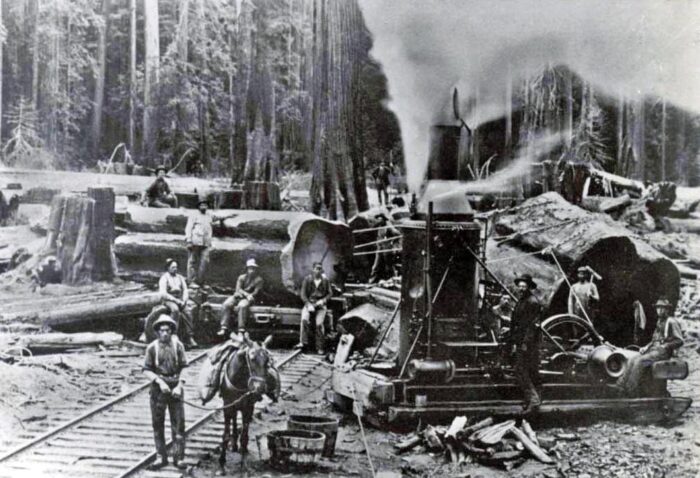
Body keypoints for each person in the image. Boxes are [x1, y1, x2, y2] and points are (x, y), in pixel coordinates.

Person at [143, 315, 188, 470]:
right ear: (157, 332)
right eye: (161, 330)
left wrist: (179, 386)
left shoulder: (178, 346)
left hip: (175, 387)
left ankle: (179, 457)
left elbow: (184, 367)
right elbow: (146, 370)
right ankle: (161, 456)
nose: (165, 333)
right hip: (158, 390)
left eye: (167, 330)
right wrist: (160, 382)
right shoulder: (152, 348)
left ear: (172, 331)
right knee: (158, 424)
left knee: (179, 424)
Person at [618, 298, 684, 396]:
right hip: (653, 351)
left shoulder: (671, 322)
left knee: (641, 362)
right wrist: (646, 347)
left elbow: (679, 340)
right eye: (658, 308)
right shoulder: (659, 321)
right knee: (632, 359)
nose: (660, 311)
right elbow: (654, 340)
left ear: (667, 310)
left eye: (662, 308)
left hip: (662, 354)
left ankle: (632, 392)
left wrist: (666, 346)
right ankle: (622, 386)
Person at [509, 274, 542, 413]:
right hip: (521, 339)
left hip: (529, 342)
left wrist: (525, 343)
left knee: (521, 369)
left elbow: (532, 326)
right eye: (520, 286)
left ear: (528, 287)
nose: (521, 288)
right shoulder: (522, 300)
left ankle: (534, 400)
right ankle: (530, 400)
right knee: (525, 370)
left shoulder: (532, 302)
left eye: (524, 286)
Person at [217, 259, 264, 337]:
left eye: (253, 268)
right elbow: (238, 289)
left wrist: (248, 296)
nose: (251, 270)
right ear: (247, 269)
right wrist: (245, 294)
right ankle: (224, 327)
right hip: (239, 296)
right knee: (226, 304)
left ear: (256, 270)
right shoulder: (241, 277)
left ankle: (241, 330)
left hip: (249, 298)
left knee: (242, 306)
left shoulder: (259, 280)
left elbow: (256, 292)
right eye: (250, 268)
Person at [296, 262, 333, 354]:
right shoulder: (307, 279)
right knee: (304, 320)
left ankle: (320, 347)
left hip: (321, 306)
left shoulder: (325, 280)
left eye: (320, 269)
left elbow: (330, 293)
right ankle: (303, 343)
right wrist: (308, 305)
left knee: (319, 324)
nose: (318, 271)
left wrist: (323, 300)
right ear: (313, 269)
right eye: (316, 268)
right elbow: (303, 294)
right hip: (310, 304)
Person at [158, 259, 197, 348]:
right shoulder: (164, 278)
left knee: (188, 311)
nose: (175, 269)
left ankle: (190, 336)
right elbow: (163, 293)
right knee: (175, 310)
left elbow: (185, 290)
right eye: (173, 267)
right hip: (169, 300)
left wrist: (184, 300)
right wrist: (176, 301)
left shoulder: (180, 277)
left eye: (176, 267)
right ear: (168, 268)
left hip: (180, 299)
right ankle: (173, 334)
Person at [185, 198, 213, 286]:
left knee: (204, 262)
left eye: (205, 205)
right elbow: (188, 228)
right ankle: (191, 281)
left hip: (206, 243)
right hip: (195, 242)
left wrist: (230, 216)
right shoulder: (194, 215)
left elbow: (218, 217)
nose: (203, 206)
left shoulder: (209, 216)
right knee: (192, 262)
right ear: (198, 206)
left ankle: (201, 282)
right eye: (201, 205)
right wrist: (189, 240)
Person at [369, 213, 401, 284]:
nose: (379, 221)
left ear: (383, 219)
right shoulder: (379, 226)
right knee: (375, 266)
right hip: (379, 248)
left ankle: (394, 280)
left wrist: (392, 242)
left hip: (387, 249)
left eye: (380, 219)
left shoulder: (388, 226)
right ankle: (372, 280)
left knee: (389, 266)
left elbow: (398, 234)